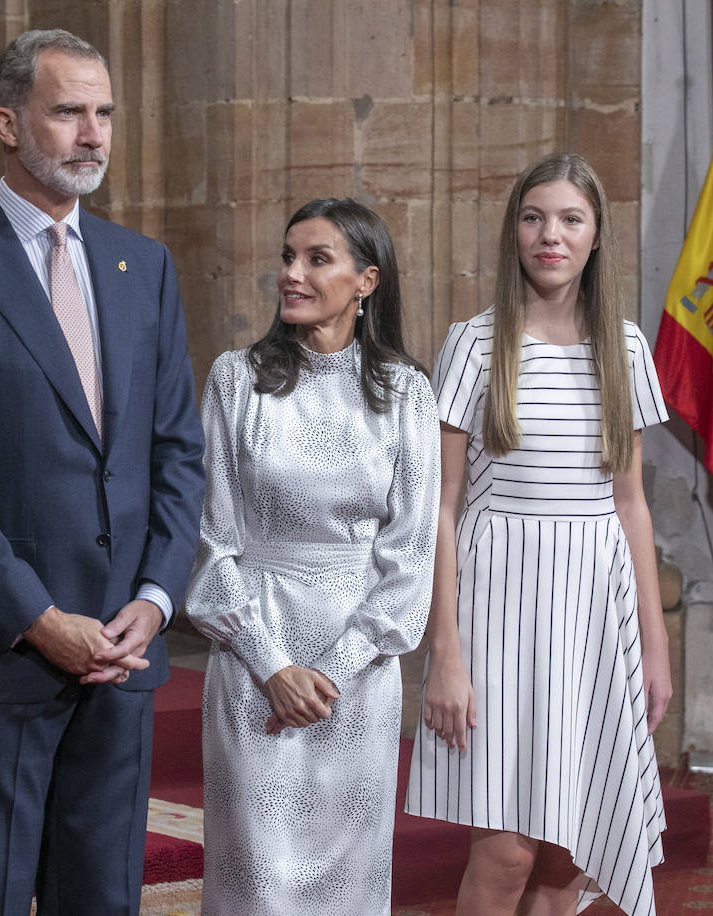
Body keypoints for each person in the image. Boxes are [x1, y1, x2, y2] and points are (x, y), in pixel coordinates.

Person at [0, 29, 205, 916]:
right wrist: (37, 618)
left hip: (124, 654)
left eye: (104, 112)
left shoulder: (145, 267)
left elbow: (178, 451)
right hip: (1, 655)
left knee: (104, 900)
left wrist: (157, 600)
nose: (92, 132)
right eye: (68, 112)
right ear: (7, 122)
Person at [404, 153, 671, 916]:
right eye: (533, 217)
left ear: (594, 237)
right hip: (499, 612)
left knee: (567, 854)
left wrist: (653, 647)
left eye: (569, 219)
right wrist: (444, 655)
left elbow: (632, 507)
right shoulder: (476, 343)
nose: (549, 235)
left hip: (595, 612)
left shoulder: (624, 348)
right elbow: (443, 507)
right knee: (507, 854)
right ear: (513, 232)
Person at [185, 197, 440, 914]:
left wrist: (330, 670)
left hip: (355, 679)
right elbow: (211, 543)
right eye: (288, 258)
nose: (293, 274)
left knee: (349, 887)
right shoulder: (237, 380)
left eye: (316, 259)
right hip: (252, 664)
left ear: (367, 281)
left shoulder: (405, 391)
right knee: (257, 882)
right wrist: (273, 666)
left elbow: (410, 554)